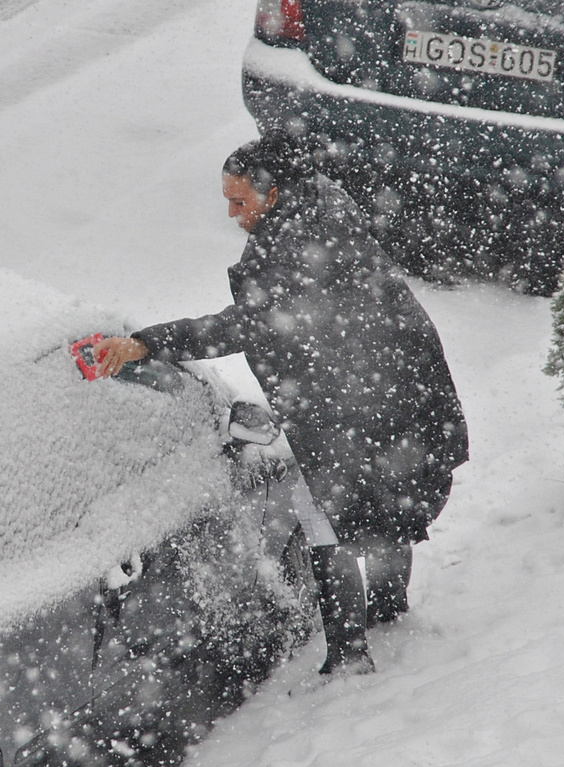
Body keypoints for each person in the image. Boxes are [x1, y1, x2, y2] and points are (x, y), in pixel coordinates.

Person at [94, 133, 468, 675]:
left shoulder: (300, 241)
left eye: (240, 201)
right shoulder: (319, 209)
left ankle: (349, 656)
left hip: (363, 396)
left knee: (325, 510)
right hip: (395, 386)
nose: (231, 213)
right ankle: (388, 608)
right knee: (390, 494)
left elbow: (250, 323)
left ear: (273, 192)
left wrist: (148, 342)